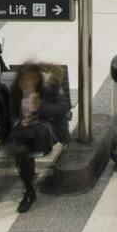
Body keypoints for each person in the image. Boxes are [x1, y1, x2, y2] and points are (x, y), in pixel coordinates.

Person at [8, 61, 69, 211]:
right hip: (25, 133)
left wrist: (39, 108)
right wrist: (20, 121)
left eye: (32, 79)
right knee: (23, 149)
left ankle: (29, 190)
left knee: (22, 148)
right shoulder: (17, 93)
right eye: (24, 80)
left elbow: (62, 109)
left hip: (46, 132)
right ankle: (29, 191)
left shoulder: (49, 88)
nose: (28, 83)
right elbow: (11, 115)